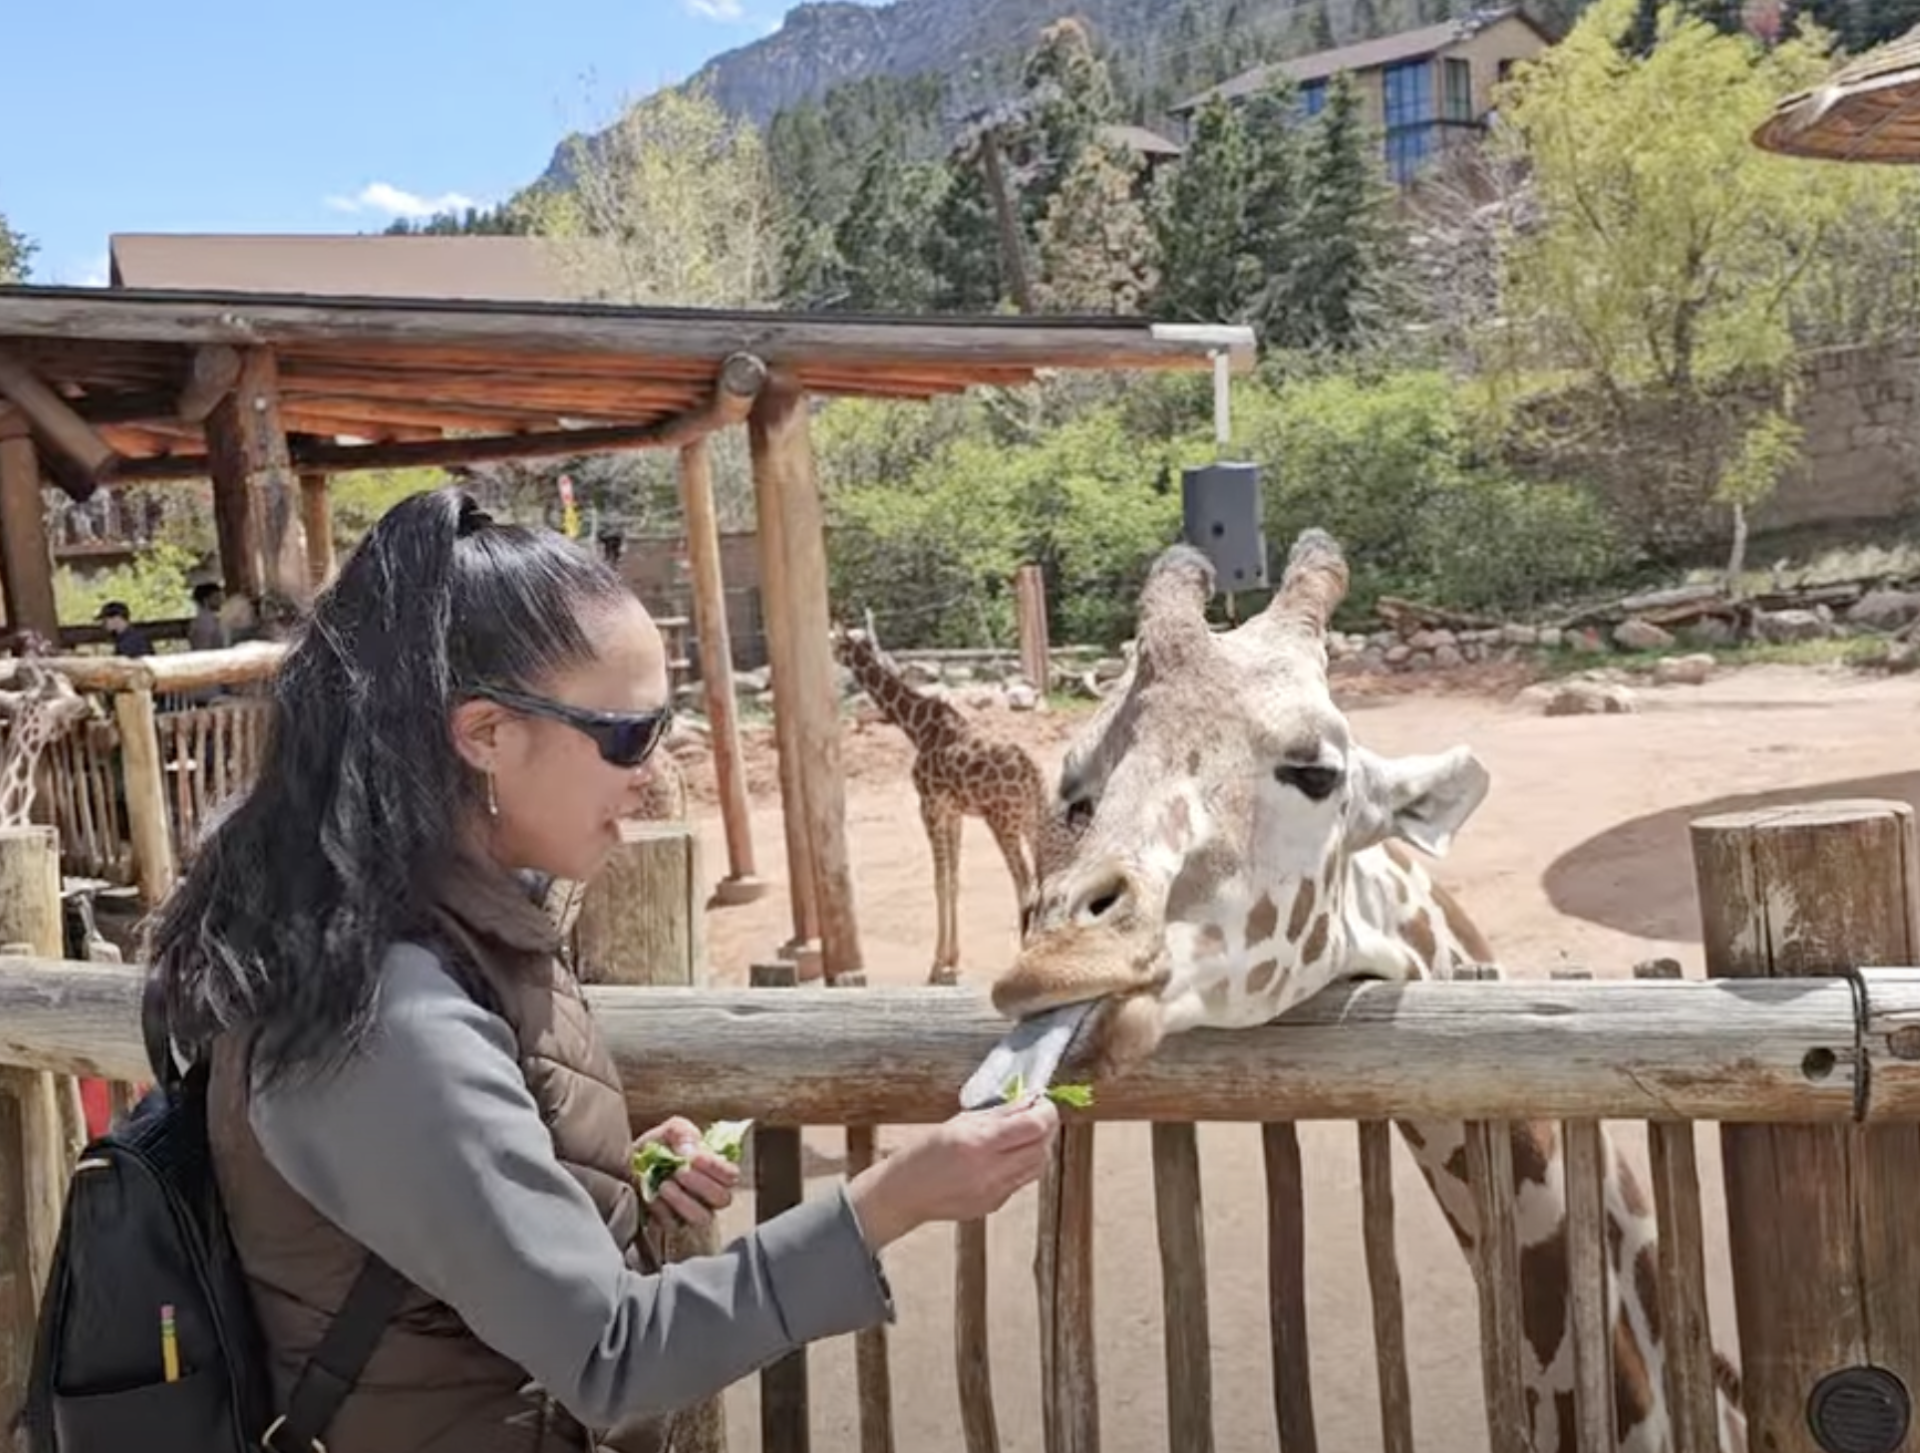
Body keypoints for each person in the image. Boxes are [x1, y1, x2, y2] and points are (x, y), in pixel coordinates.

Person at [144, 485, 1060, 1453]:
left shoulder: (426, 933)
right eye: (627, 735)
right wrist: (896, 1198)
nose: (653, 771)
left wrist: (594, 1182)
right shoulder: (391, 1015)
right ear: (486, 734)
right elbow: (612, 1358)